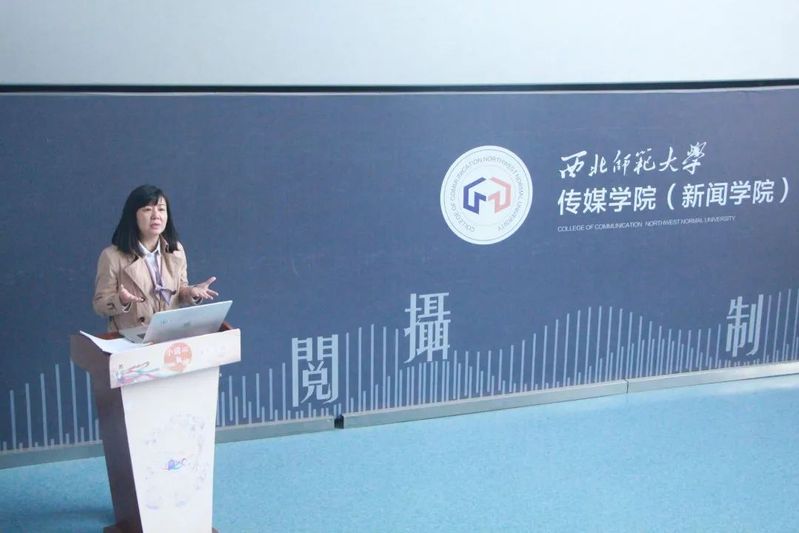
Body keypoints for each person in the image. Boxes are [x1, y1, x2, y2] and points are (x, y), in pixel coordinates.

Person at [93, 185, 218, 331]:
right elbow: (99, 305)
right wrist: (121, 300)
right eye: (147, 209)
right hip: (130, 338)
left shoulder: (176, 250)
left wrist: (191, 292)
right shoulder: (112, 256)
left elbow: (180, 290)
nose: (156, 215)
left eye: (161, 209)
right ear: (132, 215)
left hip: (168, 335)